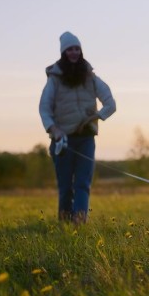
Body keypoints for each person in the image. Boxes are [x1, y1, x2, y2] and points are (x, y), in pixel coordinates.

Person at [39, 31, 116, 224]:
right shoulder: (54, 79)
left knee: (82, 183)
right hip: (63, 141)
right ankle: (64, 223)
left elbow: (110, 103)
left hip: (86, 139)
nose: (74, 52)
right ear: (63, 52)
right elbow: (44, 108)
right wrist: (53, 129)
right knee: (66, 186)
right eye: (70, 49)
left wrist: (96, 117)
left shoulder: (91, 77)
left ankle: (80, 221)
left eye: (77, 49)